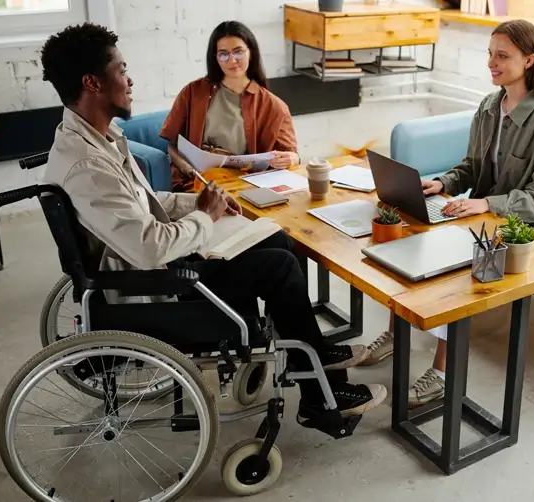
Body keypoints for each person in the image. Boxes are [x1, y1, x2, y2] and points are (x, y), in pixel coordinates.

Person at [38, 23, 385, 425]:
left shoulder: (97, 137)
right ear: (92, 83)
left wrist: (203, 204)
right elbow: (149, 246)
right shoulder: (88, 166)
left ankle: (310, 357)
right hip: (152, 286)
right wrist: (205, 216)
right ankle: (318, 395)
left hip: (147, 265)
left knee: (275, 240)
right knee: (279, 265)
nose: (130, 80)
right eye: (121, 69)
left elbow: (145, 204)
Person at [360, 19, 534, 408]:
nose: (492, 63)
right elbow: (472, 168)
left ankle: (441, 375)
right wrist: (443, 184)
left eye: (502, 56)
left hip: (530, 229)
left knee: (461, 271)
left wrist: (486, 203)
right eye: (490, 54)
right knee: (412, 238)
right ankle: (396, 334)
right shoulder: (490, 105)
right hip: (483, 216)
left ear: (529, 61)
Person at [160, 21, 299, 192]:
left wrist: (294, 159)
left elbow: (291, 156)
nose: (232, 60)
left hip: (242, 182)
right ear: (215, 58)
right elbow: (172, 145)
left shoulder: (274, 106)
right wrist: (186, 168)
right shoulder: (193, 92)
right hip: (195, 179)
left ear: (251, 54)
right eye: (223, 54)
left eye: (238, 52)